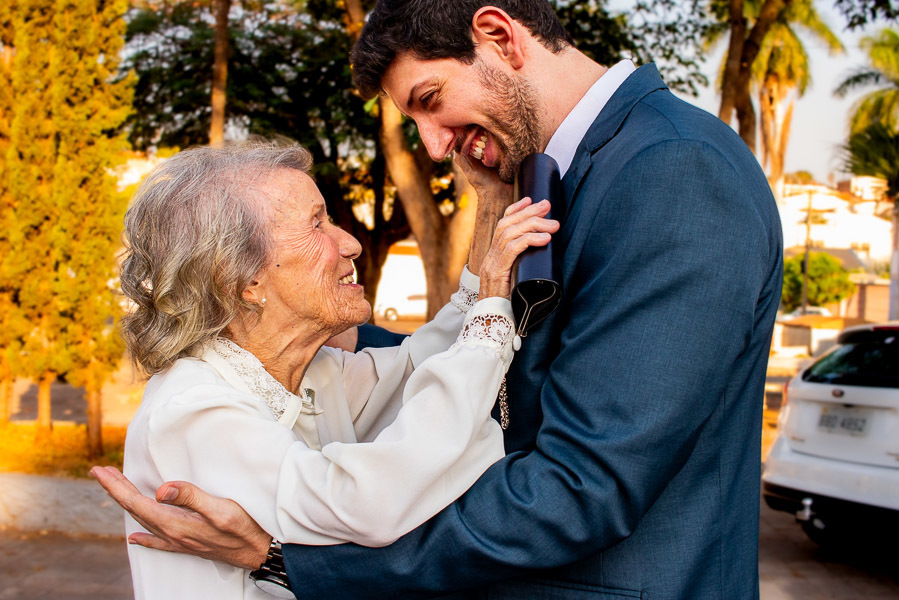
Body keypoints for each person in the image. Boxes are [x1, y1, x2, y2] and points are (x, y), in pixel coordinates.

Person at [94, 1, 784, 598]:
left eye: (429, 100)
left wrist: (286, 563)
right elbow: (431, 373)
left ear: (499, 36)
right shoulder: (567, 176)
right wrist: (486, 269)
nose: (432, 144)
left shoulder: (674, 173)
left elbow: (582, 486)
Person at [105, 141, 559, 599]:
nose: (351, 243)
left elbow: (421, 365)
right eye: (317, 224)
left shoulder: (312, 374)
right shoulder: (193, 412)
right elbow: (366, 502)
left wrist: (492, 205)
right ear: (243, 280)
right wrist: (494, 300)